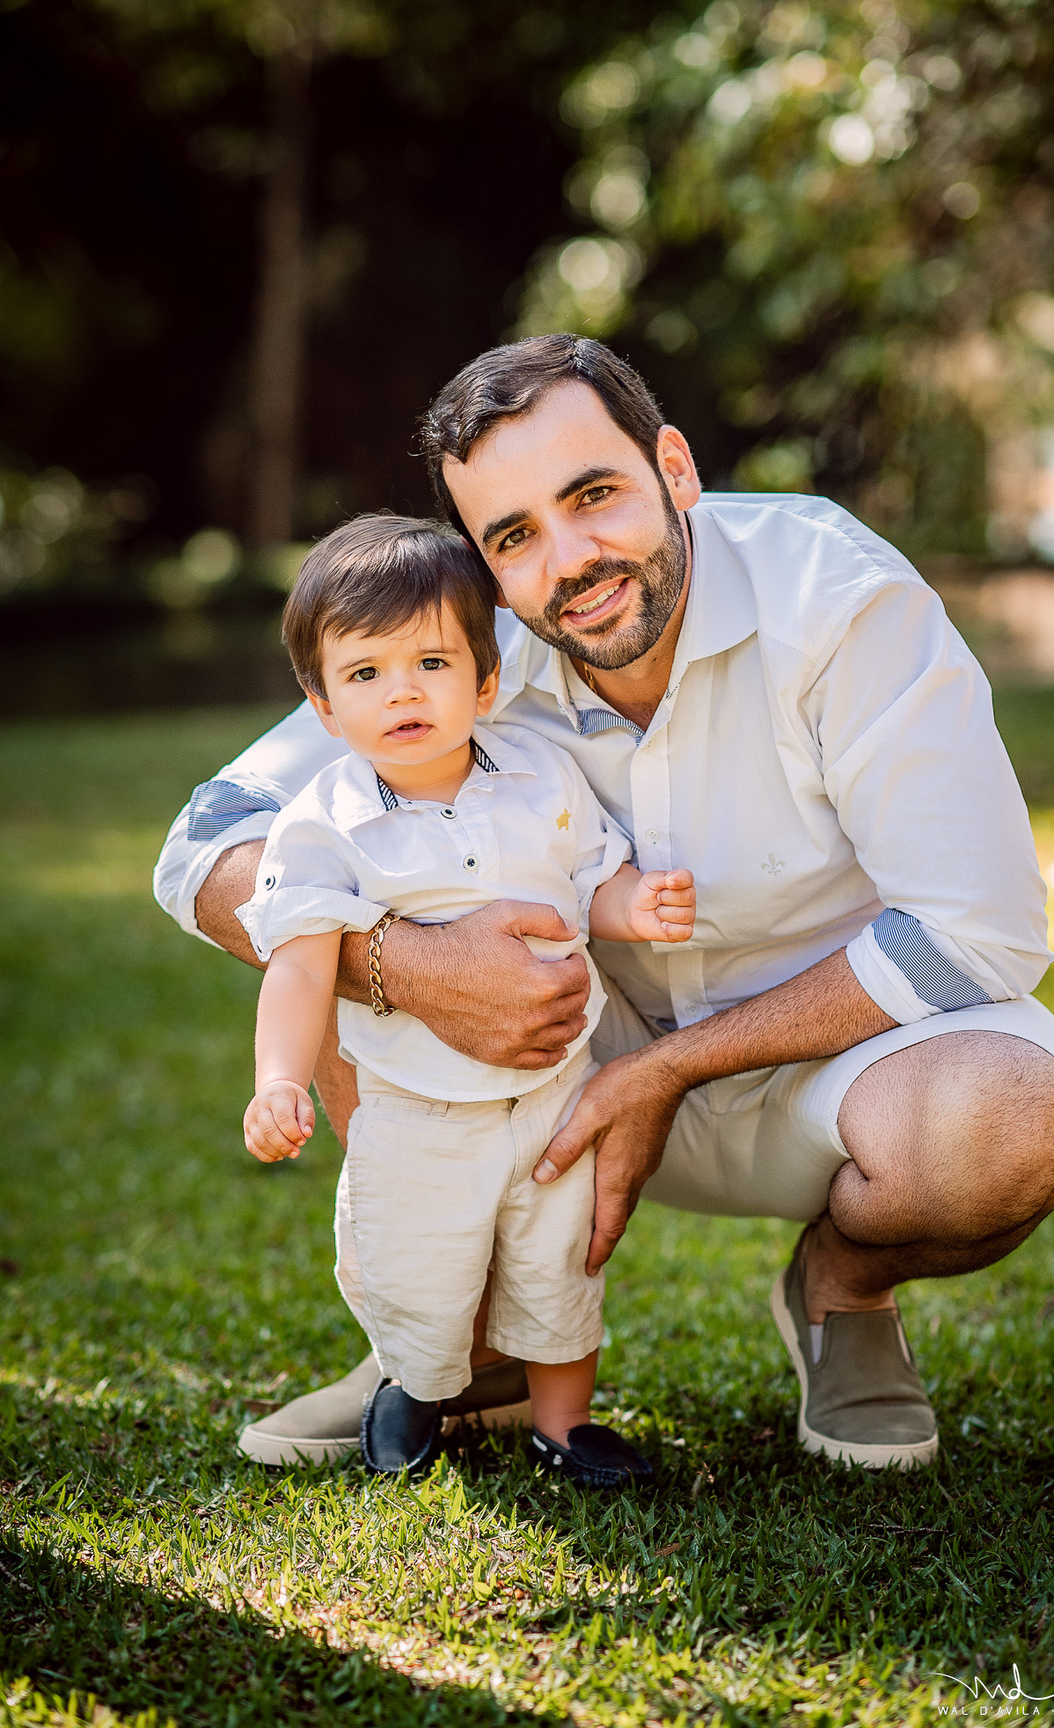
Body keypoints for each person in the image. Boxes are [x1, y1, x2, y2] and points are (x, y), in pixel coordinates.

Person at [154, 333, 1054, 1474]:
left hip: (848, 1059)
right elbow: (204, 844)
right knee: (347, 936)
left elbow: (979, 926)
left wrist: (662, 1071)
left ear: (676, 467)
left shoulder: (840, 598)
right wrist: (409, 963)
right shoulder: (459, 641)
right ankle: (464, 1348)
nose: (569, 559)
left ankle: (841, 1293)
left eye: (593, 494)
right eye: (514, 535)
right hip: (549, 1059)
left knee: (1013, 1116)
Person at [237, 514, 693, 1484]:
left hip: (552, 1096)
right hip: (416, 1106)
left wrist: (634, 904)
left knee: (558, 1264)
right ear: (322, 705)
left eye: (431, 662)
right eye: (364, 674)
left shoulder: (541, 777)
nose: (401, 690)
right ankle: (416, 1386)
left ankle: (565, 1422)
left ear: (486, 682)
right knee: (415, 1265)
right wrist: (278, 1077)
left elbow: (589, 880)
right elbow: (303, 964)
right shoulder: (325, 824)